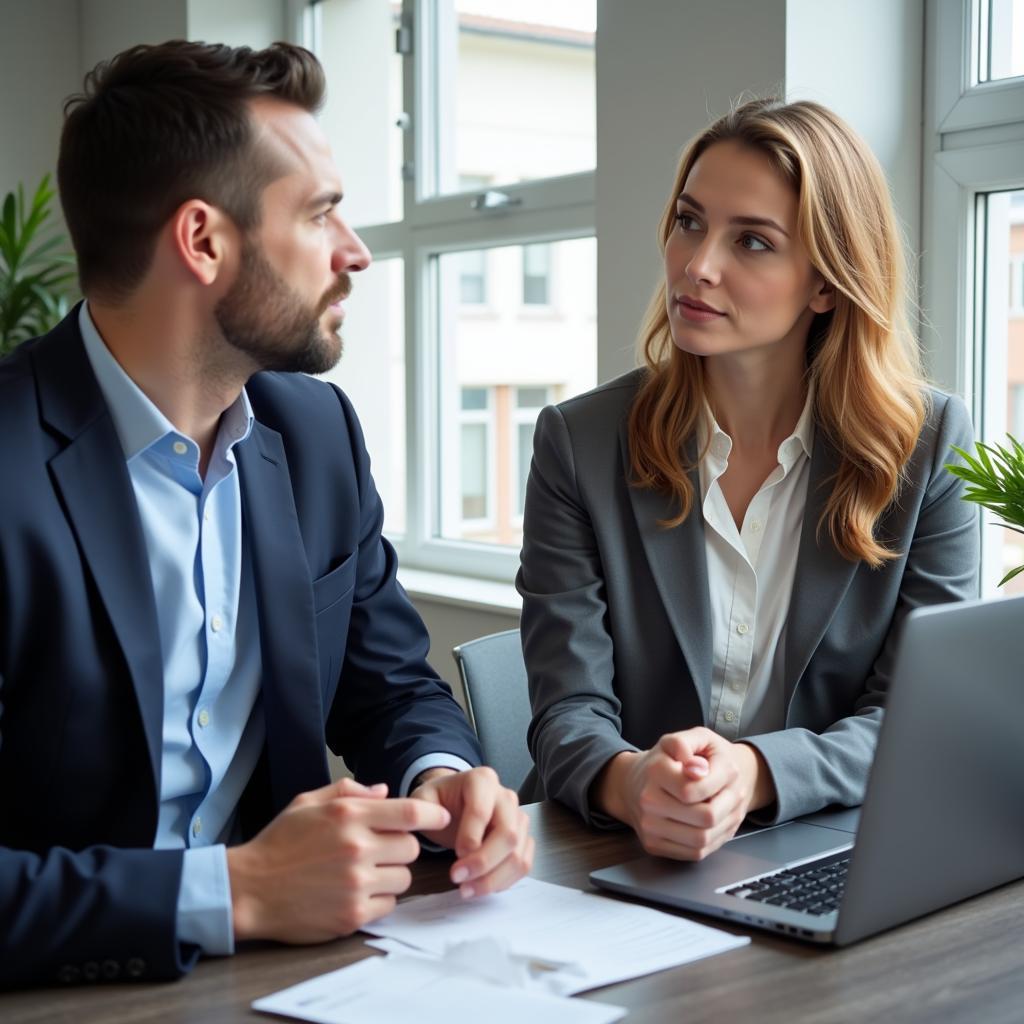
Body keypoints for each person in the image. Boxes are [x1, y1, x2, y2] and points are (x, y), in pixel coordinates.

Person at [0, 40, 532, 990]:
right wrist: (233, 891)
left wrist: (440, 780)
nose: (356, 251)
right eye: (323, 213)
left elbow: (389, 690)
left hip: (296, 980)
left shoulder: (315, 429)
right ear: (202, 241)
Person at [517, 98, 979, 860]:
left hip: (827, 850)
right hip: (620, 859)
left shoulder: (925, 449)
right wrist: (630, 781)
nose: (697, 265)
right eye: (690, 221)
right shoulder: (580, 442)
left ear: (826, 284)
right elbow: (568, 711)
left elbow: (916, 718)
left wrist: (758, 772)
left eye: (753, 242)